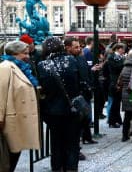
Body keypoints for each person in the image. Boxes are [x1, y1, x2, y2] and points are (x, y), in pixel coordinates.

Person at [37, 37, 88, 172]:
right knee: (72, 142)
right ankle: (71, 168)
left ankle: (57, 168)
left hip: (53, 110)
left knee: (56, 143)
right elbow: (83, 82)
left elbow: (42, 88)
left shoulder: (42, 65)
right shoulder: (71, 60)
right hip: (72, 108)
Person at [0, 40, 41, 171]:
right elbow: (0, 94)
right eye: (25, 53)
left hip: (18, 119)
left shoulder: (21, 68)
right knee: (7, 159)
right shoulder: (5, 67)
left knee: (13, 156)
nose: (28, 57)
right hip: (9, 121)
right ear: (15, 53)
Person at [104, 43, 126, 128]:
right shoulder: (111, 57)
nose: (124, 51)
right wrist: (124, 62)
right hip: (114, 82)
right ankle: (112, 121)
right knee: (114, 103)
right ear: (118, 49)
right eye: (123, 49)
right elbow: (115, 68)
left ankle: (118, 120)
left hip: (119, 82)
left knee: (117, 103)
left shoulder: (121, 57)